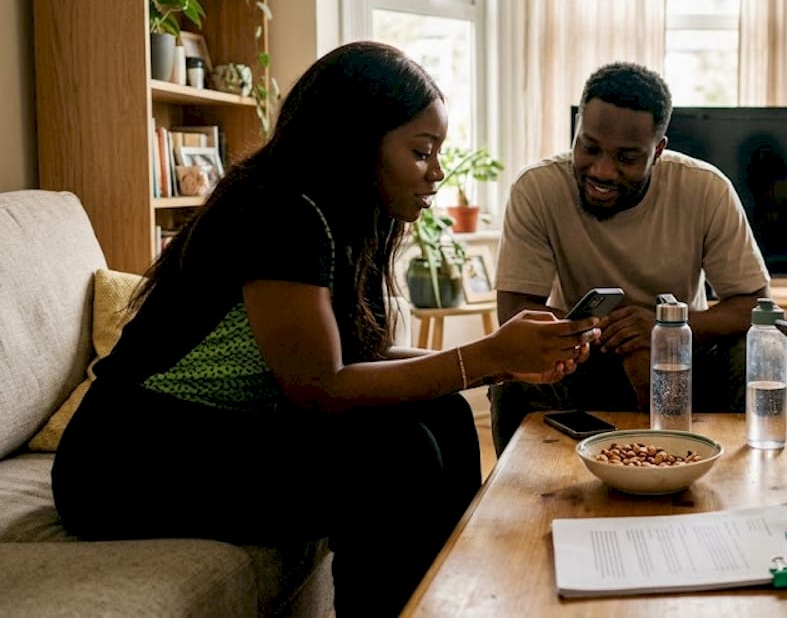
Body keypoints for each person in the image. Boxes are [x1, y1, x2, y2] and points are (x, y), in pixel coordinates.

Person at [51, 41, 600, 617]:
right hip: (130, 456)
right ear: (358, 142)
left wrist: (499, 360)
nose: (436, 172)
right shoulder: (278, 211)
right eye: (421, 151)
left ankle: (444, 602)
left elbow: (354, 354)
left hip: (209, 431)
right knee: (396, 454)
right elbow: (319, 386)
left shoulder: (334, 215)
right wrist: (484, 357)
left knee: (445, 414)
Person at [490, 61, 771, 454]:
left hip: (686, 354)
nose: (602, 170)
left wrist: (664, 330)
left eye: (627, 158)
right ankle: (527, 505)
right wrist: (624, 339)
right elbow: (515, 313)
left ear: (658, 150)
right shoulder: (536, 188)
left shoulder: (706, 189)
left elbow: (755, 305)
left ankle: (764, 490)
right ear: (577, 131)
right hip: (582, 356)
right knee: (514, 379)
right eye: (589, 147)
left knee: (773, 362)